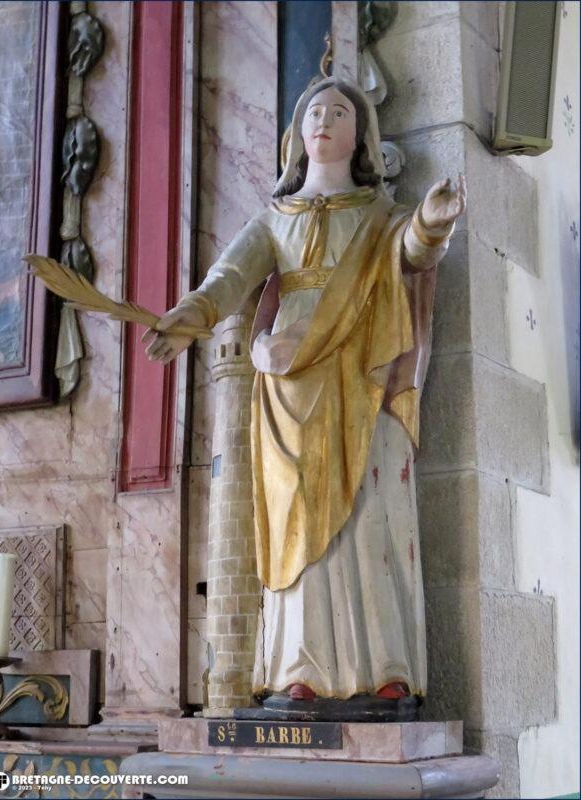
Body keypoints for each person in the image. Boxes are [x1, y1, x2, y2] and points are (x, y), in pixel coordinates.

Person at [144, 77, 466, 709]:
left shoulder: (378, 217)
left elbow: (412, 252)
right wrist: (191, 316)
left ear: (360, 135)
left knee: (373, 518)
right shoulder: (274, 219)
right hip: (288, 385)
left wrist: (432, 221)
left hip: (362, 375)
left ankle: (385, 669)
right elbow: (228, 278)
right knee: (294, 528)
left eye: (339, 112)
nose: (324, 119)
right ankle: (301, 670)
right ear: (298, 135)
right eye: (314, 111)